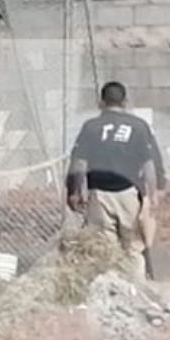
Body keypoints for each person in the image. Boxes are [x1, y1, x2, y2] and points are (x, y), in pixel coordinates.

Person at [66, 81, 160, 280]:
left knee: (104, 247)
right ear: (125, 102)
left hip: (99, 194)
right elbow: (149, 165)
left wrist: (74, 191)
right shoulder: (138, 126)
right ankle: (135, 288)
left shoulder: (91, 127)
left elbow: (80, 164)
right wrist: (152, 195)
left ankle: (109, 288)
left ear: (101, 103)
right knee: (133, 248)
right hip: (129, 193)